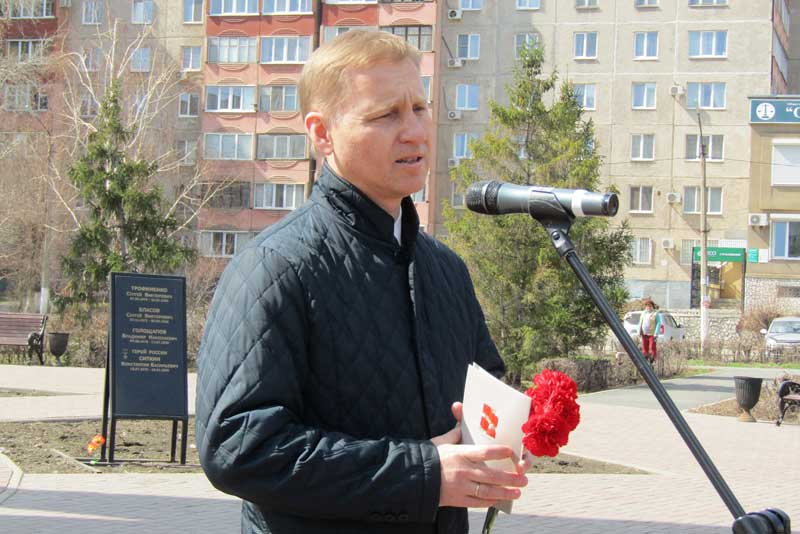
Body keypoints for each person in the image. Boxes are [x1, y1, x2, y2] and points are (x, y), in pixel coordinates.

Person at [195, 30, 530, 534]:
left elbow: (486, 391)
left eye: (419, 107)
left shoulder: (446, 270)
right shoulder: (275, 267)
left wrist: (500, 437)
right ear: (322, 132)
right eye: (385, 115)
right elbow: (239, 446)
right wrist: (424, 474)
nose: (415, 131)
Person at [638, 299, 662, 364]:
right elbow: (640, 322)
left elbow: (658, 323)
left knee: (652, 347)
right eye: (647, 306)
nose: (648, 307)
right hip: (644, 333)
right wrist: (639, 331)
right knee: (644, 347)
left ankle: (652, 360)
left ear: (652, 306)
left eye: (649, 306)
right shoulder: (643, 313)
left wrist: (656, 333)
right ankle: (645, 359)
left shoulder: (655, 314)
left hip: (652, 334)